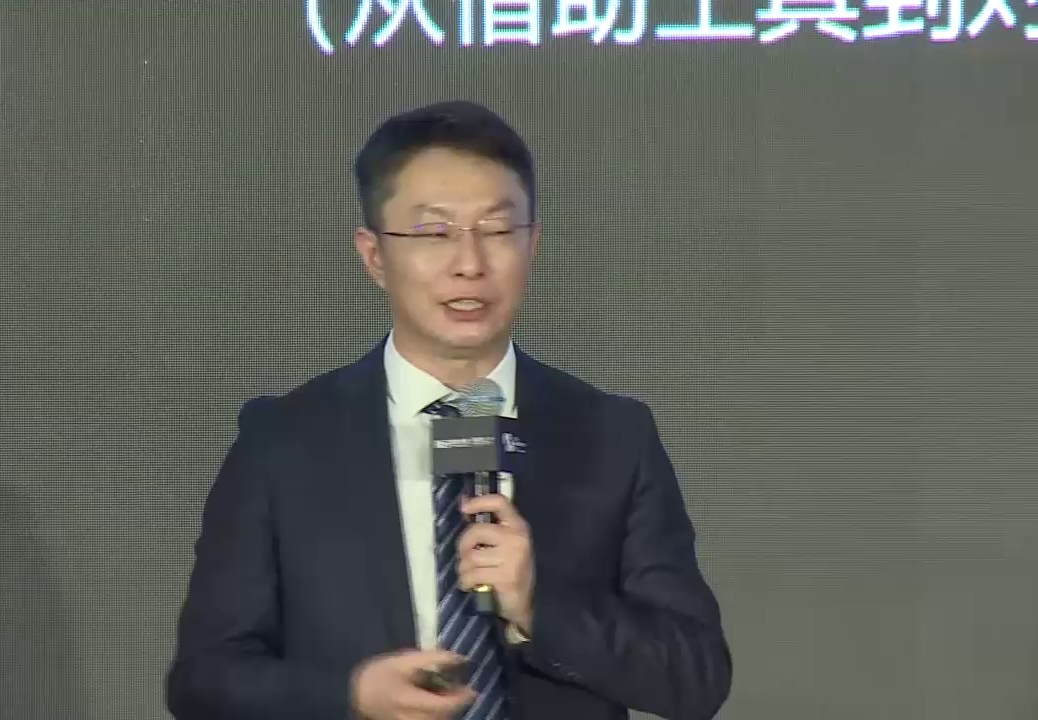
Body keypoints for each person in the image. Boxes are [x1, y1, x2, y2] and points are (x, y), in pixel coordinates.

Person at [166, 100, 731, 720]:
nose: (469, 264)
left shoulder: (613, 437)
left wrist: (540, 608)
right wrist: (349, 696)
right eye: (434, 234)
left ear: (533, 244)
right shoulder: (283, 442)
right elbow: (203, 681)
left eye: (497, 231)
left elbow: (696, 677)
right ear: (374, 255)